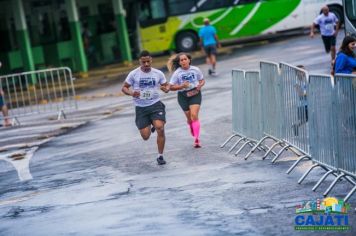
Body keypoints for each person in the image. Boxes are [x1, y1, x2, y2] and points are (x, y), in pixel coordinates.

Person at [121, 50, 170, 165]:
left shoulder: (158, 73)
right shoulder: (133, 74)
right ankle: (150, 123)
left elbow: (165, 85)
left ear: (151, 60)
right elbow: (124, 87)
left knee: (160, 128)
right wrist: (132, 93)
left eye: (148, 61)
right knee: (145, 136)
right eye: (144, 62)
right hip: (141, 107)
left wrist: (166, 89)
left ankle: (160, 156)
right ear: (140, 61)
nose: (146, 64)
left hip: (155, 104)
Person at [167, 53, 205, 148]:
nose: (183, 61)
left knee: (194, 115)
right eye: (181, 60)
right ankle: (191, 126)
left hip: (195, 94)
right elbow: (170, 87)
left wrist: (200, 85)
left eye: (185, 59)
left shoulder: (195, 69)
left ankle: (197, 139)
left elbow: (202, 80)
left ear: (189, 60)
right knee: (189, 119)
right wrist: (181, 86)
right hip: (183, 96)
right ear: (179, 63)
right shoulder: (177, 73)